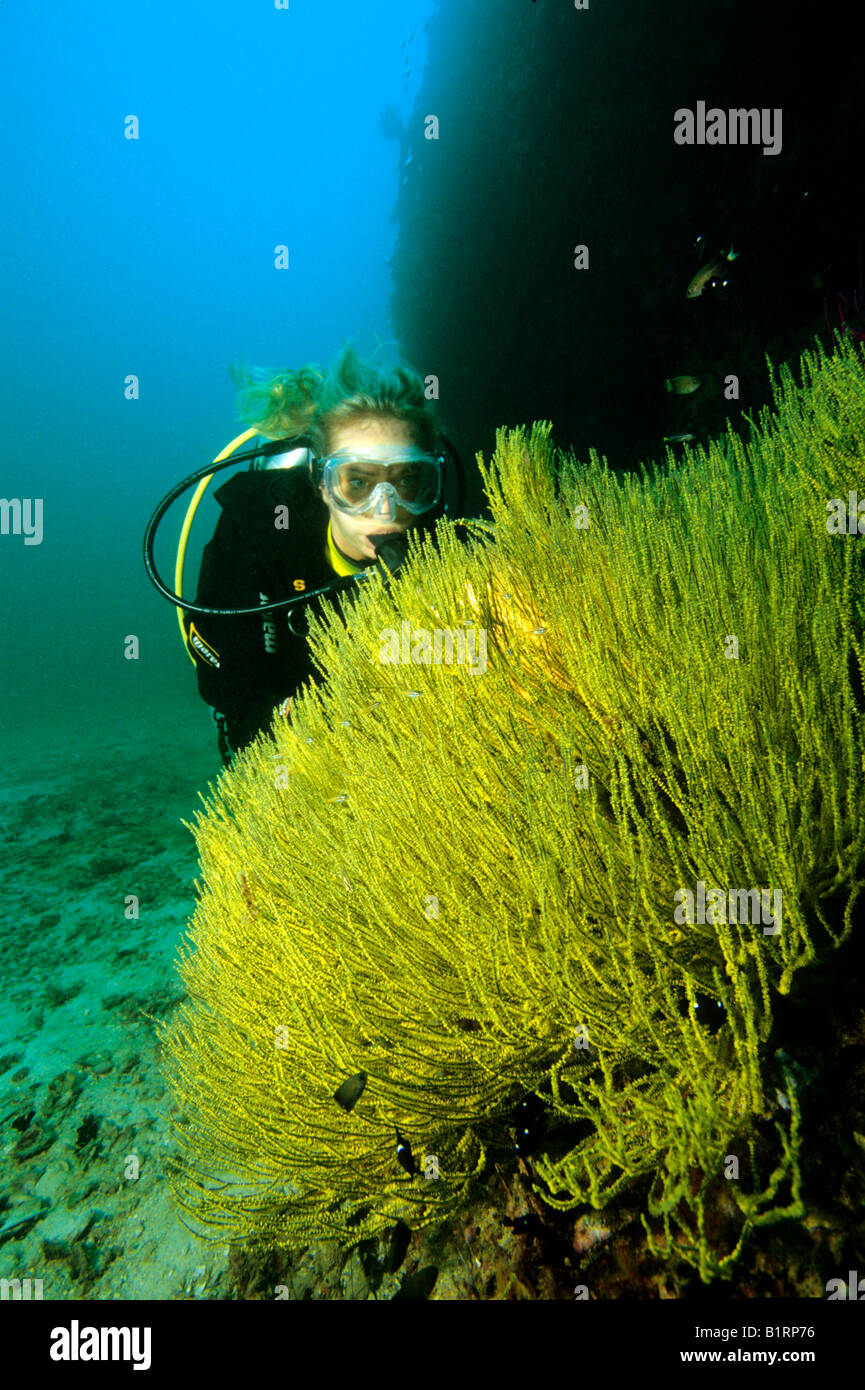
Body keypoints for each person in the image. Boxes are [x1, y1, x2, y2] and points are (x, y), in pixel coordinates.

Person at [189, 345, 451, 764]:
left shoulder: (449, 551)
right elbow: (229, 691)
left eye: (405, 479)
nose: (385, 508)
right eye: (359, 483)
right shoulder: (259, 537)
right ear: (324, 484)